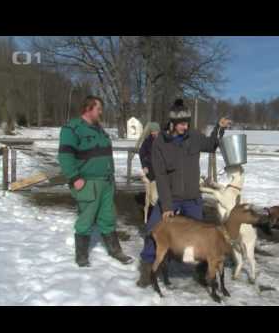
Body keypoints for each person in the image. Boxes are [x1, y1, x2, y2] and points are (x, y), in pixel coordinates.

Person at [136, 98, 231, 287]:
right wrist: (167, 206)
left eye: (186, 123)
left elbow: (211, 145)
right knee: (153, 228)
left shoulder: (193, 136)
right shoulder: (160, 143)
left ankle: (204, 271)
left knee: (203, 235)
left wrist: (219, 129)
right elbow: (161, 176)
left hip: (192, 198)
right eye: (180, 124)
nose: (184, 127)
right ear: (171, 123)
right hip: (169, 197)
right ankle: (148, 268)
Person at [58, 95, 133, 267]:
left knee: (108, 218)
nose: (101, 112)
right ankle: (82, 256)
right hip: (87, 182)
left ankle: (115, 251)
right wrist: (74, 178)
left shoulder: (100, 130)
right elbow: (65, 156)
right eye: (98, 109)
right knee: (86, 219)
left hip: (106, 182)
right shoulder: (72, 128)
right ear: (88, 108)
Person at [138, 122, 161, 221]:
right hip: (149, 173)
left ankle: (158, 217)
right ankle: (147, 218)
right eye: (152, 131)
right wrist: (144, 166)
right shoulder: (147, 142)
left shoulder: (164, 141)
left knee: (155, 198)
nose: (154, 133)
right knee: (149, 197)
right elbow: (142, 154)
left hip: (160, 174)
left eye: (155, 131)